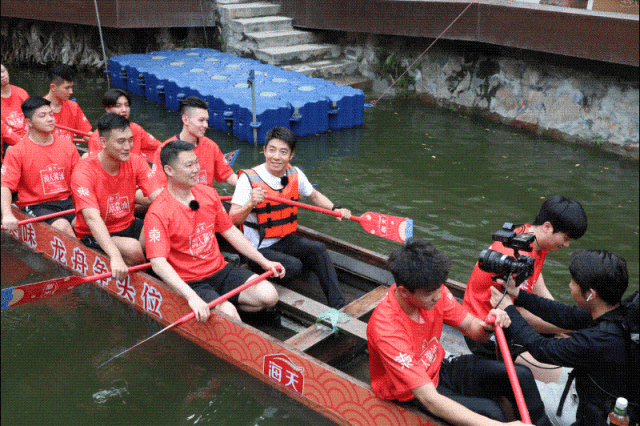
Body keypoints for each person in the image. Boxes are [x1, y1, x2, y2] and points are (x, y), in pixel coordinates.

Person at [367, 239, 549, 426]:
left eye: (439, 288)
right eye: (430, 293)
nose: (438, 296)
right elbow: (429, 399)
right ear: (404, 292)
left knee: (522, 376)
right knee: (492, 413)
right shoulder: (386, 328)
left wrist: (488, 324)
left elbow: (471, 327)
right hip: (410, 393)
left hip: (439, 369)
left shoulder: (434, 289)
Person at [491, 249, 637, 426]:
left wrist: (508, 309)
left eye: (573, 282)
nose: (569, 285)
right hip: (597, 392)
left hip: (589, 415)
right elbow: (566, 314)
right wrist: (519, 294)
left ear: (591, 294)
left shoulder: (598, 340)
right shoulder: (621, 314)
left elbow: (541, 349)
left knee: (506, 386)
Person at [144, 140, 283, 322]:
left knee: (270, 295)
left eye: (196, 163)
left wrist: (264, 262)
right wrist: (191, 297)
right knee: (230, 316)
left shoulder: (209, 194)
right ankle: (226, 309)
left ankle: (226, 306)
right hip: (189, 280)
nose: (196, 169)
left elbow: (230, 231)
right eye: (189, 165)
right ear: (169, 170)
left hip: (219, 269)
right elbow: (158, 263)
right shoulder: (158, 212)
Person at [229, 127, 351, 309]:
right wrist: (251, 203)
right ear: (264, 151)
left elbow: (314, 195)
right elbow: (232, 220)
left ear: (291, 155)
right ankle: (252, 269)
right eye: (272, 150)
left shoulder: (295, 173)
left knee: (318, 250)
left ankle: (338, 305)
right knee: (294, 266)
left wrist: (335, 209)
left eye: (283, 152)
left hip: (284, 239)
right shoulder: (248, 179)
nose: (276, 157)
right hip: (257, 248)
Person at [463, 195, 588, 358]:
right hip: (485, 330)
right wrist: (568, 327)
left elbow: (536, 277)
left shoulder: (529, 236)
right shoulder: (517, 254)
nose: (567, 244)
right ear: (547, 227)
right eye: (565, 238)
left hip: (508, 313)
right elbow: (516, 314)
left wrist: (562, 316)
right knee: (552, 354)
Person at [70, 113, 162, 280]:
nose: (128, 147)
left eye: (130, 140)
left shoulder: (136, 161)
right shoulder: (83, 172)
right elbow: (92, 219)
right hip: (94, 232)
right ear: (103, 142)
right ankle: (151, 276)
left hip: (128, 223)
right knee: (133, 249)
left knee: (161, 229)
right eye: (121, 141)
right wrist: (115, 256)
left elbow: (160, 198)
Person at [1, 97, 79, 237]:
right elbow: (5, 186)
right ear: (29, 122)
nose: (50, 119)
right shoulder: (17, 152)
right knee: (63, 226)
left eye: (51, 114)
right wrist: (7, 214)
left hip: (67, 201)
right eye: (42, 116)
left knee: (90, 222)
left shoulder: (67, 146)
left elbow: (81, 178)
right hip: (37, 205)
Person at [151, 96, 237, 188]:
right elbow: (157, 187)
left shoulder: (210, 146)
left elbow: (228, 176)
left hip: (207, 196)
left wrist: (246, 183)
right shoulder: (165, 150)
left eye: (207, 121)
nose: (206, 125)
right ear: (186, 120)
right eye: (201, 120)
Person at [86, 88, 160, 160]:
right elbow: (94, 163)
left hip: (135, 167)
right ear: (107, 109)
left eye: (126, 105)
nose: (124, 110)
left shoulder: (135, 129)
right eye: (118, 106)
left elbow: (159, 147)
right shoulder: (97, 137)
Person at [43, 64, 92, 143]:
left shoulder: (73, 107)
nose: (71, 92)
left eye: (71, 87)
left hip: (68, 150)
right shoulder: (38, 109)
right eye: (67, 88)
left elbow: (87, 135)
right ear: (53, 87)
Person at [1, 64, 29, 154]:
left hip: (27, 135)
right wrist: (19, 142)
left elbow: (31, 117)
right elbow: (3, 130)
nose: (2, 75)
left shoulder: (21, 93)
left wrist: (25, 138)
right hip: (6, 140)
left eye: (3, 71)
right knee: (12, 151)